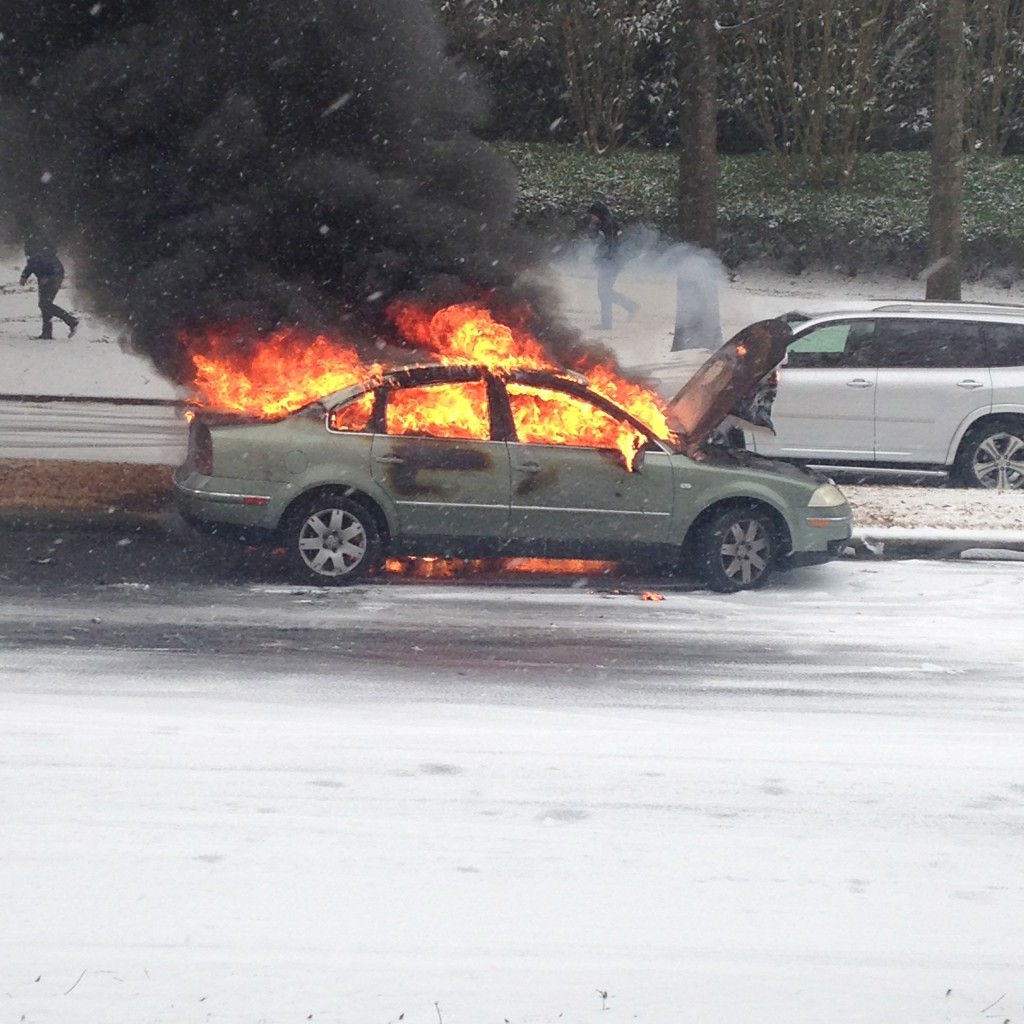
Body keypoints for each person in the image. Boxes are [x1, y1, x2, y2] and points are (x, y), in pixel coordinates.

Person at [587, 201, 639, 330]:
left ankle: (611, 320)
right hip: (611, 262)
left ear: (598, 214)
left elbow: (611, 245)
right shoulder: (606, 224)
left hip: (611, 262)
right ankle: (626, 309)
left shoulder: (608, 225)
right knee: (605, 291)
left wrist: (605, 260)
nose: (592, 218)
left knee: (604, 291)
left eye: (593, 215)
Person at [19, 238, 79, 339]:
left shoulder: (43, 255)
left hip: (53, 279)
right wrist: (24, 276)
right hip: (43, 279)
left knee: (45, 304)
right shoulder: (36, 254)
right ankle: (47, 333)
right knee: (44, 304)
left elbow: (56, 269)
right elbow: (31, 265)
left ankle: (72, 321)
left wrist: (48, 278)